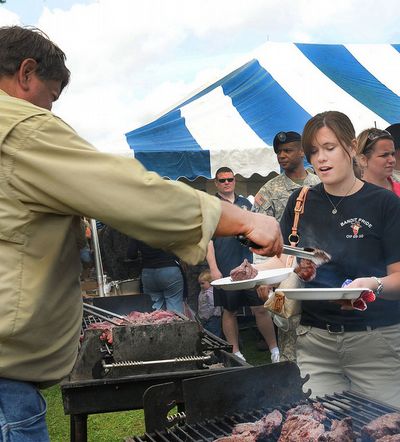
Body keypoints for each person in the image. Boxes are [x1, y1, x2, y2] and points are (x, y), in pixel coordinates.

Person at [0, 25, 283, 441]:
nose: (51, 111)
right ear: (26, 74)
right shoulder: (20, 127)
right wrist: (244, 219)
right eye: (51, 97)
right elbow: (129, 193)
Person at [256, 110, 400, 407]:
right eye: (313, 152)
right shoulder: (301, 201)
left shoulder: (384, 203)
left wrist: (372, 284)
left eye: (329, 148)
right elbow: (287, 261)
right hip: (314, 341)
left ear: (350, 147)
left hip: (376, 342)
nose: (320, 159)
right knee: (322, 426)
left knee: (384, 428)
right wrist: (253, 273)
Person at [252, 131, 320, 362]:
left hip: (319, 271)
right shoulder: (269, 190)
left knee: (319, 331)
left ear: (302, 151)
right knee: (289, 329)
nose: (281, 156)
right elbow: (259, 238)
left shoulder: (320, 184)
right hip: (285, 272)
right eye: (278, 152)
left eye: (287, 150)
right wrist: (263, 279)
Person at [207, 167, 280, 363]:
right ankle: (236, 352)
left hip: (250, 266)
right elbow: (207, 240)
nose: (226, 183)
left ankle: (274, 350)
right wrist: (213, 268)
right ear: (216, 183)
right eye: (222, 180)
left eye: (229, 179)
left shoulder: (245, 203)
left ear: (235, 181)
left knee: (260, 307)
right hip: (225, 267)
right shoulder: (211, 206)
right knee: (229, 311)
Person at [127, 239, 185, 313]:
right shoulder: (170, 227)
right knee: (175, 309)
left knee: (155, 310)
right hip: (169, 270)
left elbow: (131, 254)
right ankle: (177, 323)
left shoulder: (140, 229)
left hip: (148, 273)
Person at [355, 128, 400, 196]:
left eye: (392, 154)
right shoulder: (353, 195)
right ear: (363, 160)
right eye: (384, 155)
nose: (392, 160)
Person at [197, 269, 222, 337]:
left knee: (214, 333)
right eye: (200, 284)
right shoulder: (203, 291)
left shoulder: (210, 293)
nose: (201, 286)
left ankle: (217, 345)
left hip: (213, 317)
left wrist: (208, 316)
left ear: (210, 282)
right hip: (205, 318)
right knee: (207, 333)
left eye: (203, 283)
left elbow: (212, 305)